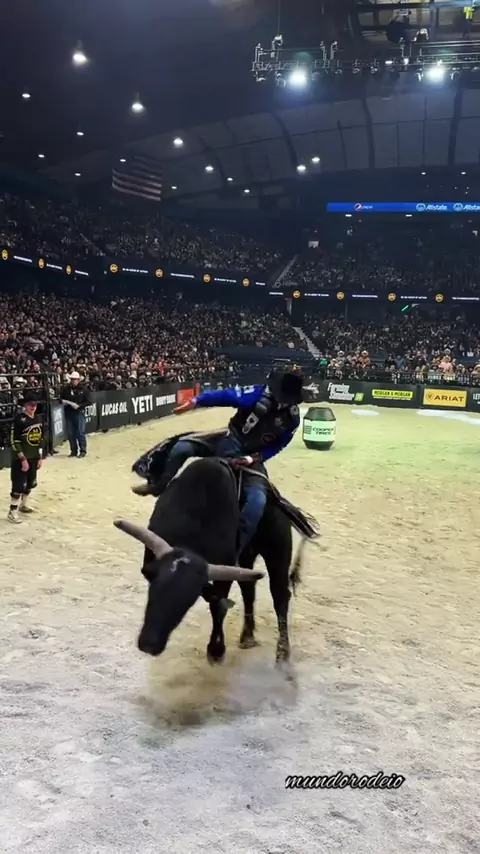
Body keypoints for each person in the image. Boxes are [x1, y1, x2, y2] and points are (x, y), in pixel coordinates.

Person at [138, 370, 303, 557]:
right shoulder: (258, 394)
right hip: (229, 438)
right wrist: (197, 401)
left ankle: (236, 549)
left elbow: (279, 445)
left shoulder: (292, 419)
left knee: (257, 502)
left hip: (252, 458)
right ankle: (158, 485)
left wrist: (254, 458)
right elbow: (226, 395)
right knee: (181, 448)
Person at [8, 390, 44, 523]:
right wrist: (22, 459)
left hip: (33, 456)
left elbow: (40, 439)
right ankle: (12, 511)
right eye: (30, 404)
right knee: (18, 485)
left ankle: (24, 505)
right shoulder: (19, 420)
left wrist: (40, 457)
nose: (33, 407)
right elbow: (14, 441)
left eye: (34, 404)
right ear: (25, 405)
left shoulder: (38, 418)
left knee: (30, 483)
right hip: (21, 458)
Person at [60, 371, 89, 458]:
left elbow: (89, 401)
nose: (73, 381)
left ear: (78, 380)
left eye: (75, 379)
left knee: (80, 432)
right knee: (70, 433)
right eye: (72, 379)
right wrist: (64, 402)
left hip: (79, 412)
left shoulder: (83, 389)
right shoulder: (66, 389)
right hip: (69, 413)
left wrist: (79, 406)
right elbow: (60, 398)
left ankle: (83, 451)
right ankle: (73, 451)